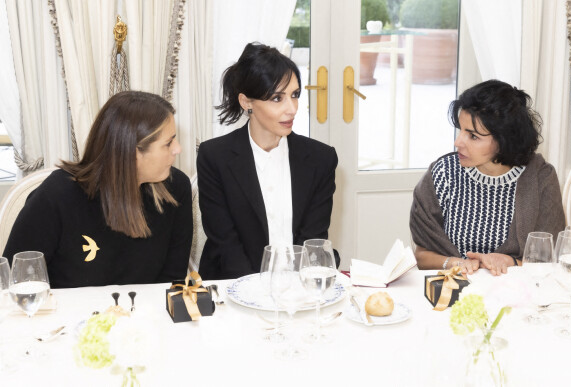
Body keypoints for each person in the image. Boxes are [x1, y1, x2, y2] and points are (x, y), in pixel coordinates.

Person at [3, 91, 193, 288]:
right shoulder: (57, 196)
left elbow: (172, 280)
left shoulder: (176, 189)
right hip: (65, 317)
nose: (178, 148)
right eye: (168, 143)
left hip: (144, 315)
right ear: (131, 152)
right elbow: (15, 282)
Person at [197, 42, 338, 280]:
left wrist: (291, 296)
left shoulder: (320, 158)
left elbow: (313, 238)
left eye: (294, 95)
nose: (292, 109)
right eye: (277, 98)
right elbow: (227, 245)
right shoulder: (215, 157)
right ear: (246, 102)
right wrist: (259, 296)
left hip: (298, 287)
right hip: (233, 286)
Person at [410, 79, 565, 276]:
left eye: (473, 136)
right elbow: (421, 255)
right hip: (454, 291)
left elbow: (549, 260)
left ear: (504, 140)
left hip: (517, 296)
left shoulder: (541, 178)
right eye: (461, 130)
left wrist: (510, 261)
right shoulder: (442, 173)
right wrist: (455, 263)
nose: (458, 142)